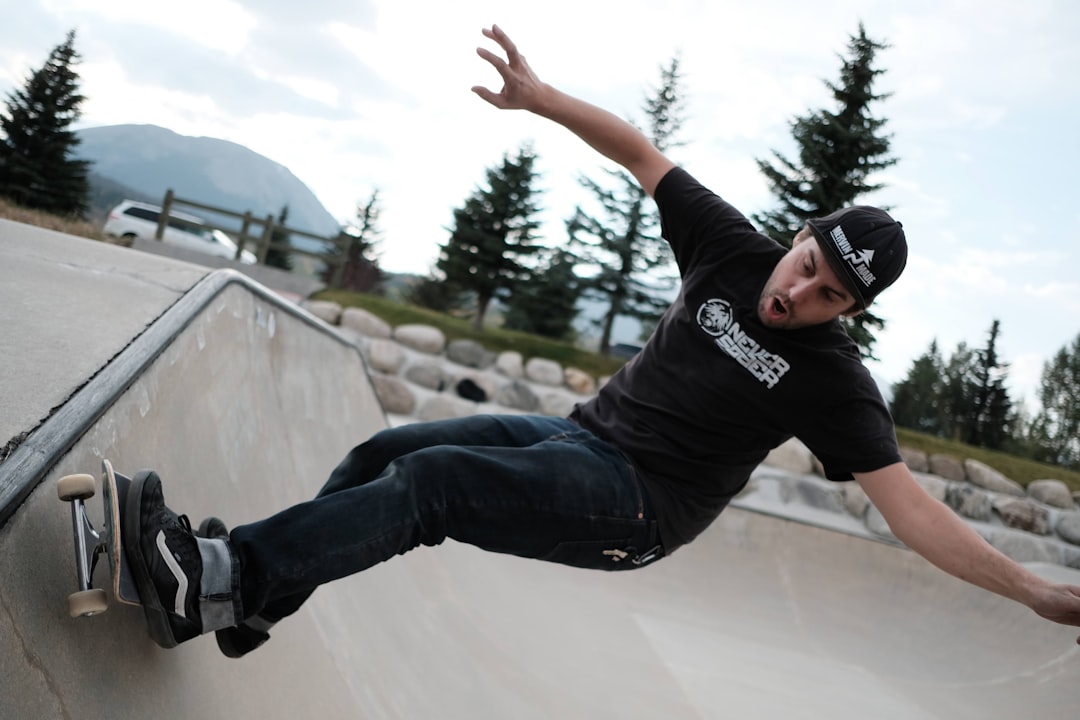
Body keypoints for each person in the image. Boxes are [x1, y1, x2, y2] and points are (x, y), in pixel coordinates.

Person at [121, 24, 1080, 655]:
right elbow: (641, 153)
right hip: (580, 437)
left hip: (641, 508)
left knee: (433, 484)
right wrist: (540, 97)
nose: (796, 295)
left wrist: (1033, 591)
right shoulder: (730, 247)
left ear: (849, 312)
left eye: (827, 296)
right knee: (385, 451)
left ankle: (218, 580)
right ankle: (251, 603)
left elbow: (912, 513)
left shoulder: (835, 381)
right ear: (797, 236)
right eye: (805, 265)